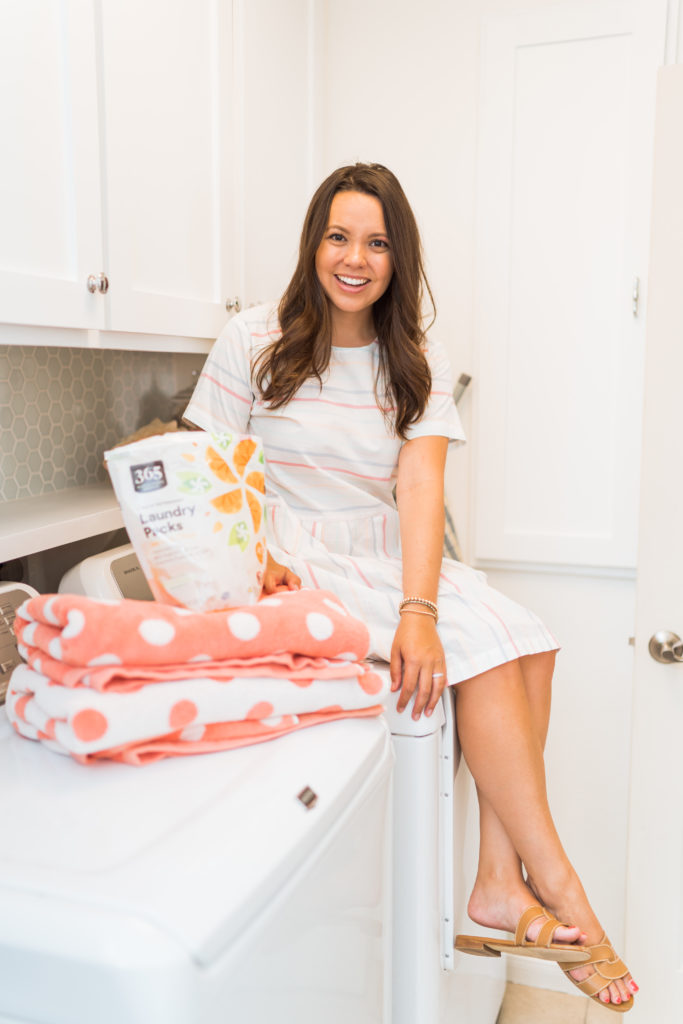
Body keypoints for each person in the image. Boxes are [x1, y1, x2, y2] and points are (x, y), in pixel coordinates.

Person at [184, 162, 636, 1012]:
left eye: (377, 242)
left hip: (384, 556)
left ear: (398, 257)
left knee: (528, 638)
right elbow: (205, 471)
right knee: (493, 649)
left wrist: (419, 611)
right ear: (314, 243)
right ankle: (560, 888)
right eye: (339, 236)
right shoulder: (253, 339)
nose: (355, 258)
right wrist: (252, 561)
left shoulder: (414, 355)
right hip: (292, 555)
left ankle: (499, 880)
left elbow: (421, 486)